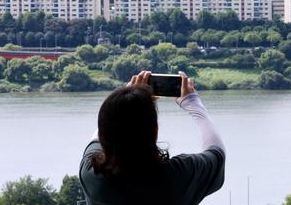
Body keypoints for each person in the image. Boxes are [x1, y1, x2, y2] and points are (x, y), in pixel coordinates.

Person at [79, 70, 226, 205]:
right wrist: (192, 103)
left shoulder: (92, 175)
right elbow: (217, 151)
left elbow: (103, 131)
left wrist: (124, 97)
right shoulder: (177, 177)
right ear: (155, 131)